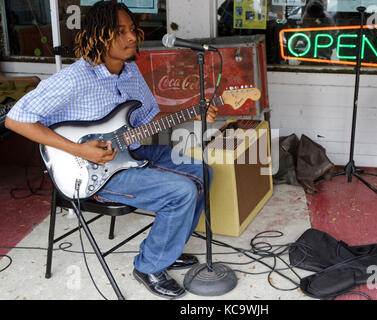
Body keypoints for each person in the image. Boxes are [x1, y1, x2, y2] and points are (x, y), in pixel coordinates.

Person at [5, 1, 218, 299]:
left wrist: (191, 111)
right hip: (94, 173)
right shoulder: (74, 78)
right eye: (120, 32)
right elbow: (16, 119)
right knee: (181, 191)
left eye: (132, 29)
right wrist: (79, 151)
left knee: (203, 173)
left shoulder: (130, 72)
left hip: (131, 154)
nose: (131, 37)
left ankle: (167, 250)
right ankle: (149, 266)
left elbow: (146, 120)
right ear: (98, 35)